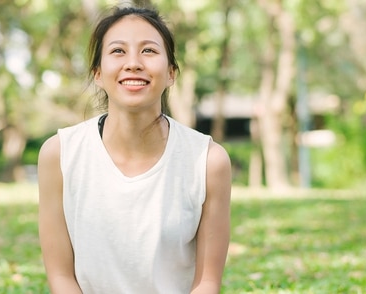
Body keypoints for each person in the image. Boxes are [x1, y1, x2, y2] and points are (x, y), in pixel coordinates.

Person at [37, 5, 232, 294]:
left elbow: (206, 282)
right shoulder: (60, 155)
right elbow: (61, 277)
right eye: (118, 51)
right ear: (98, 74)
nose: (133, 63)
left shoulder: (208, 161)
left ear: (171, 74)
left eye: (148, 51)